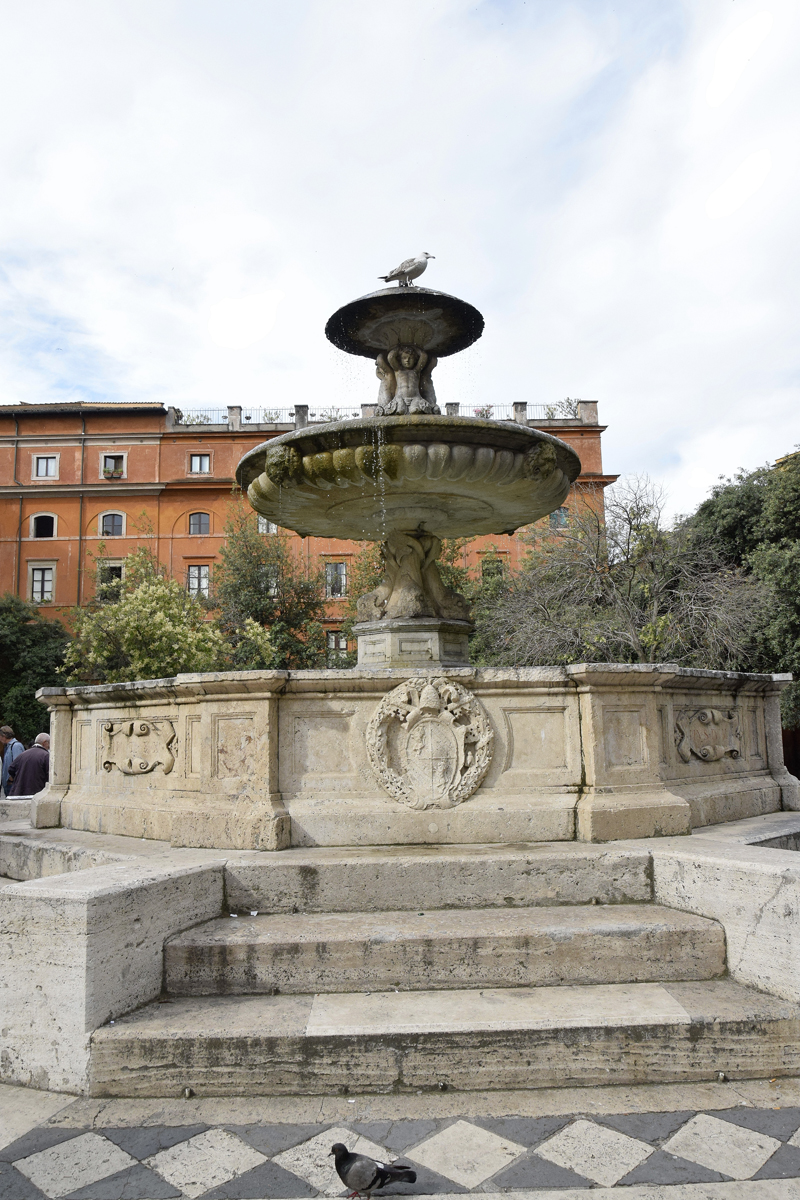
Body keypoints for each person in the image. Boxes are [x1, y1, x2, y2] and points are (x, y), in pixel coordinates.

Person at [8, 732, 50, 797]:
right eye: (49, 743)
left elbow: (11, 769)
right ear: (44, 742)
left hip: (19, 791)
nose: (49, 746)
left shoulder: (23, 754)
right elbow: (49, 775)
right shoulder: (46, 756)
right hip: (37, 792)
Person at [0, 725, 25, 796]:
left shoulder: (16, 746)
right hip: (8, 785)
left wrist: (11, 779)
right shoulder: (8, 747)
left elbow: (18, 765)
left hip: (12, 785)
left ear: (3, 736)